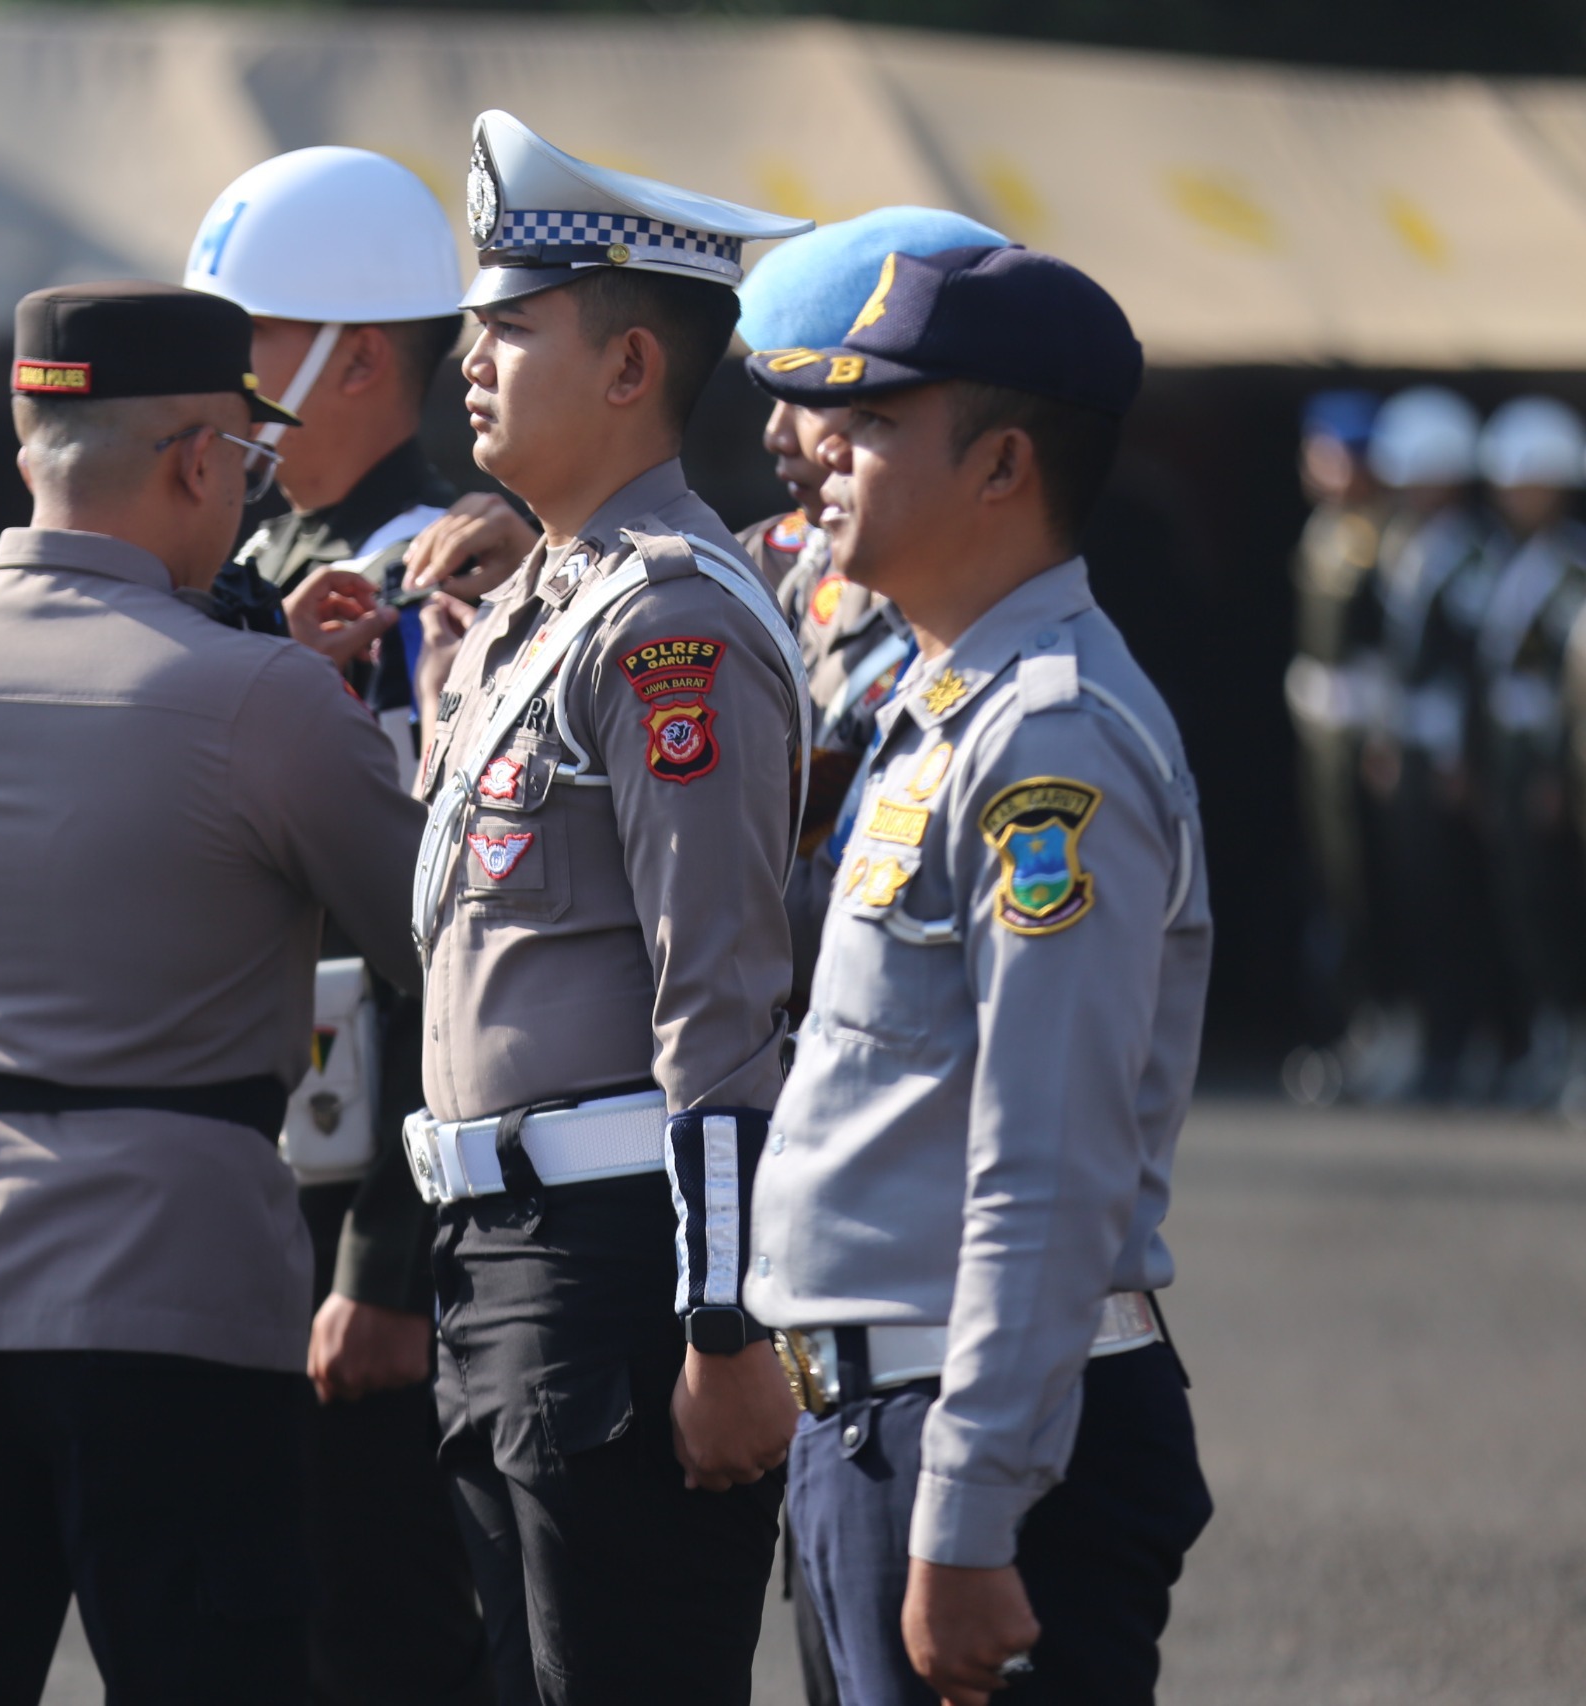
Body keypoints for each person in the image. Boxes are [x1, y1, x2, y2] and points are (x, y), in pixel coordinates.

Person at [0, 281, 425, 1706]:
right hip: (179, 1285)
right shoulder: (271, 701)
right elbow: (433, 934)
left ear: (31, 447)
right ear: (204, 462)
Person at [744, 244, 1213, 1706]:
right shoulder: (943, 704)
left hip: (980, 1433)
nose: (828, 456)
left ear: (1004, 463)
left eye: (875, 424)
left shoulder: (1047, 743)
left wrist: (968, 1509)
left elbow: (1049, 1159)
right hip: (883, 1418)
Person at [400, 109, 811, 1703]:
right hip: (502, 1250)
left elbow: (719, 995)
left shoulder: (672, 626)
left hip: (620, 1272)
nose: (472, 357)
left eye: (511, 326)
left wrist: (725, 1320)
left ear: (633, 368)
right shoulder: (543, 599)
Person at [181, 147, 493, 1706]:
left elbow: (434, 938)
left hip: (359, 1192)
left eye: (246, 337)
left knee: (382, 1627)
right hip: (244, 1177)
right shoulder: (251, 567)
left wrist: (384, 1251)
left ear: (357, 356)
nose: (213, 382)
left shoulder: (434, 577)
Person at [730, 208, 1003, 1016]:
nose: (778, 435)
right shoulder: (760, 566)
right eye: (773, 393)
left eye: (815, 396)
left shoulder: (993, 616)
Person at [1365, 385, 1509, 1100]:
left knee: (1459, 901)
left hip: (1452, 751)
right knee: (1416, 898)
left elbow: (1473, 668)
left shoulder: (1473, 556)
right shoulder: (1410, 546)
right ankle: (1437, 1039)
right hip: (1412, 744)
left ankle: (1472, 1044)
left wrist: (1462, 758)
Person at [1469, 397, 1586, 1106]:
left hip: (1554, 753)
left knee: (1559, 898)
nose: (1516, 498)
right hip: (1506, 749)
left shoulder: (1573, 568)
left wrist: (1554, 771)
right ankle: (1541, 1035)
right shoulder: (1506, 561)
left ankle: (1570, 1037)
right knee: (1517, 899)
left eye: (1530, 483)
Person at [1279, 389, 1395, 1097]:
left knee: (1368, 877)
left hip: (1364, 729)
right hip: (1319, 726)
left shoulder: (1380, 538)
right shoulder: (1325, 531)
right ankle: (1351, 1023)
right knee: (1330, 875)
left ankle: (1384, 1024)